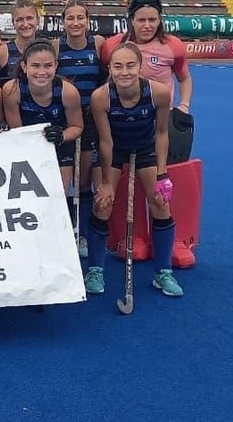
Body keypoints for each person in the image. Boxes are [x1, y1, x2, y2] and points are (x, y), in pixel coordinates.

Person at [85, 42, 183, 298]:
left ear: (140, 67)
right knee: (102, 203)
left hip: (145, 149)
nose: (124, 72)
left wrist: (162, 174)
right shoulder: (101, 97)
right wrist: (106, 182)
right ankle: (95, 268)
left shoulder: (159, 93)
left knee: (161, 203)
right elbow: (105, 142)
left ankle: (163, 272)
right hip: (114, 150)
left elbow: (162, 134)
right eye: (118, 66)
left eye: (130, 65)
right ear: (110, 69)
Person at [55, 0, 105, 258]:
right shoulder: (56, 47)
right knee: (62, 183)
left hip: (92, 123)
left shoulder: (98, 45)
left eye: (80, 18)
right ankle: (64, 231)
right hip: (66, 121)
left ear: (88, 20)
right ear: (62, 22)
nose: (75, 23)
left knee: (84, 181)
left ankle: (83, 234)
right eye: (69, 18)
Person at [3, 40, 83, 198]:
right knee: (29, 200)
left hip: (59, 148)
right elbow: (17, 132)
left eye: (48, 65)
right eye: (35, 66)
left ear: (56, 66)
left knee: (59, 198)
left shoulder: (68, 92)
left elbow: (77, 126)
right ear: (24, 66)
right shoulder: (12, 90)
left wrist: (62, 135)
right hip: (26, 148)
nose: (42, 72)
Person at [0, 0, 40, 85]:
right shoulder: (2, 52)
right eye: (19, 20)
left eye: (29, 18)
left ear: (37, 20)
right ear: (13, 23)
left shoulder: (48, 50)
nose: (25, 24)